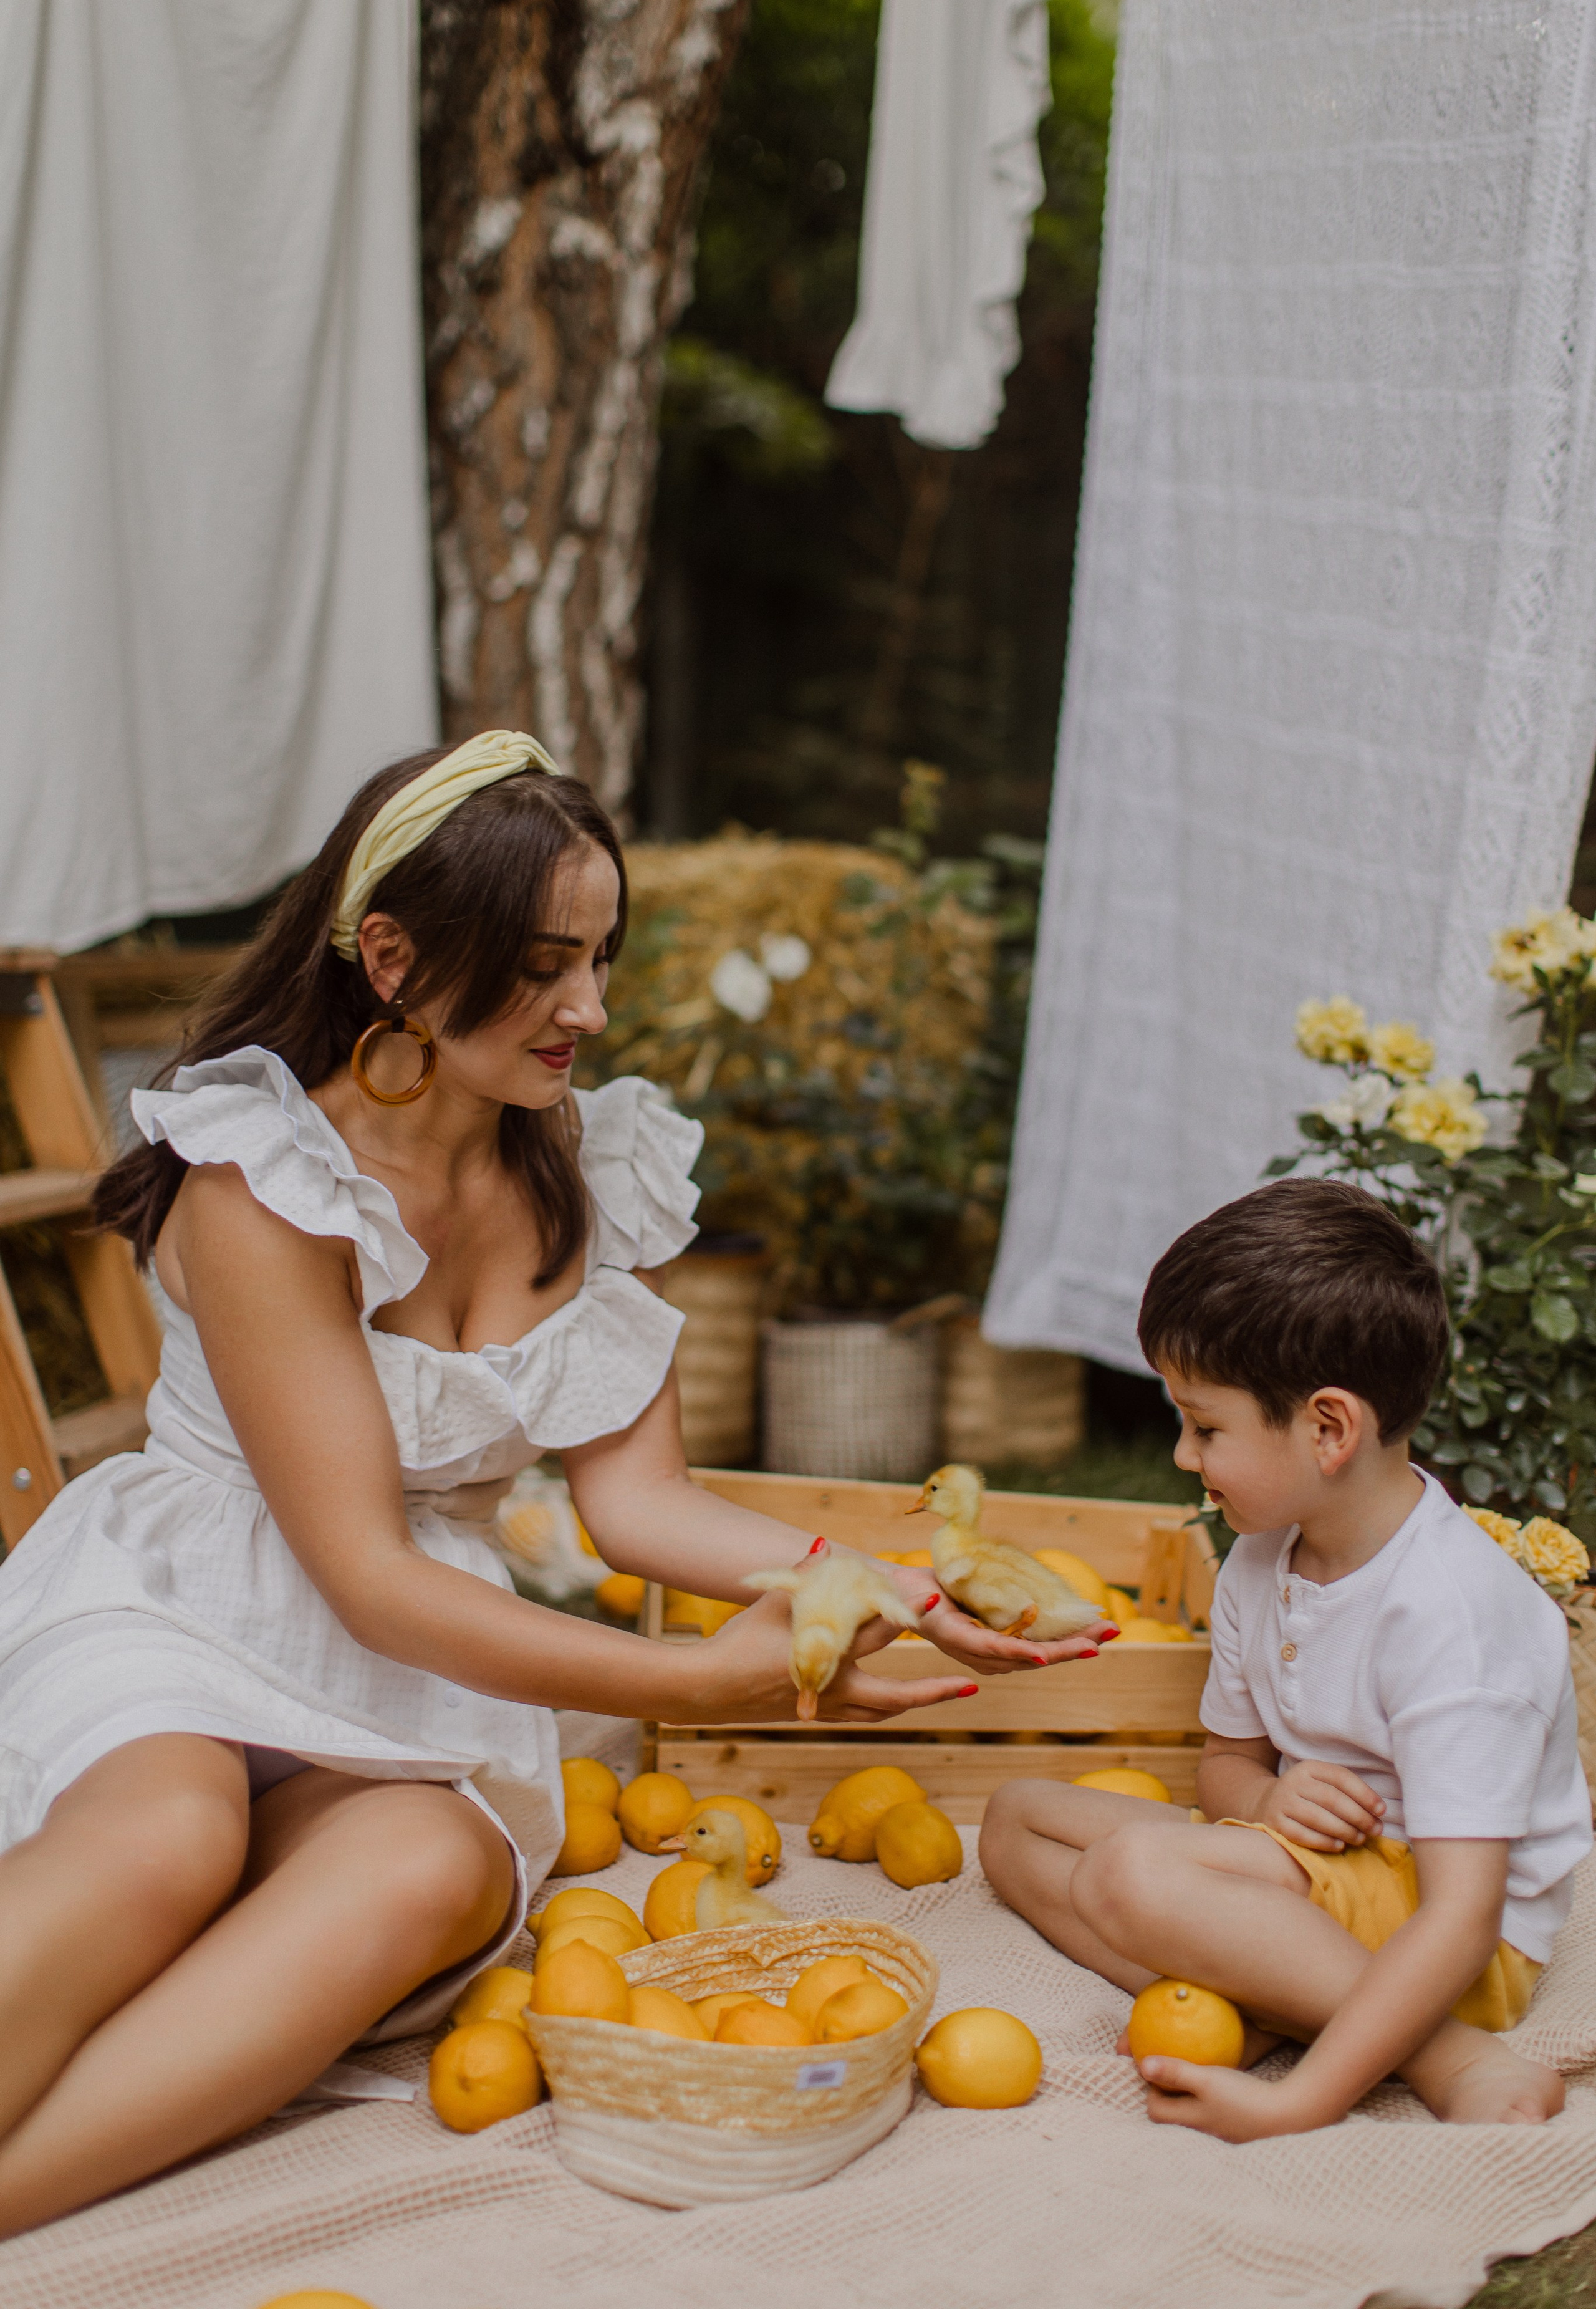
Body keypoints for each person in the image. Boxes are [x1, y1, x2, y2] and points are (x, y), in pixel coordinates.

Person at [0, 734, 1112, 2235]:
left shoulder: (588, 1163)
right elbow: (365, 1578)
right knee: (171, 1841)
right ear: (390, 955)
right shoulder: (266, 1180)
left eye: (599, 956)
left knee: (423, 1879)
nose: (587, 1008)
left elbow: (640, 1509)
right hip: (192, 1603)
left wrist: (888, 1589)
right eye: (540, 966)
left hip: (412, 1648)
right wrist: (699, 1683)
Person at [981, 1179, 1590, 2138]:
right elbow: (1228, 1765)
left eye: (1206, 1427)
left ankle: (1443, 2055)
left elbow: (1464, 1916)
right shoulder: (1262, 1560)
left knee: (1129, 1877)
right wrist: (1264, 1802)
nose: (1184, 1457)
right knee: (1017, 1823)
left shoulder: (1454, 1614)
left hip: (1456, 1942)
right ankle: (1274, 1998)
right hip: (1312, 1876)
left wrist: (1296, 2108)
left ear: (1328, 1428)